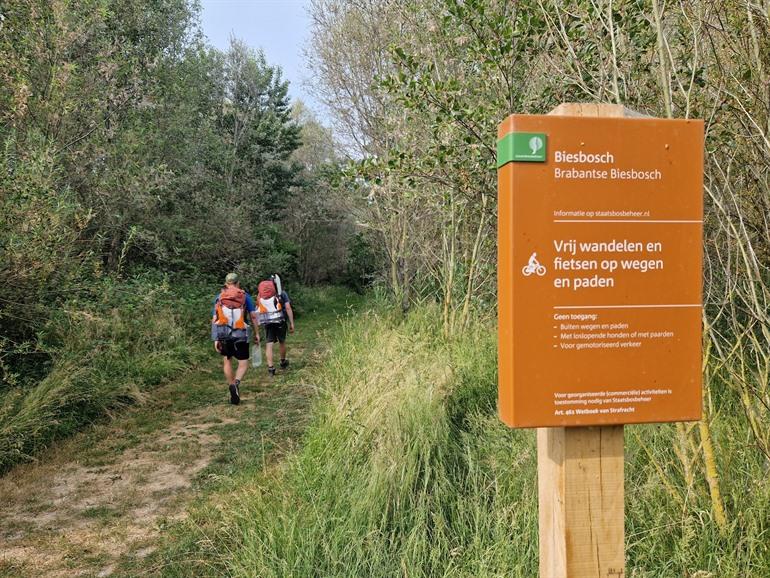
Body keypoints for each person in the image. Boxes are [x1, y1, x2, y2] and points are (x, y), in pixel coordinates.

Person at [211, 273, 259, 404]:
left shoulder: (219, 297)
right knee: (243, 362)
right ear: (238, 283)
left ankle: (231, 385)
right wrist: (257, 333)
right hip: (241, 334)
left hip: (223, 334)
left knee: (227, 361)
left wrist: (216, 338)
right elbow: (253, 316)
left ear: (226, 284)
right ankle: (236, 383)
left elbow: (215, 318)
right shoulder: (244, 296)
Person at [256, 275, 295, 377]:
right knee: (282, 341)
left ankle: (271, 368)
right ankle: (282, 362)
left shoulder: (261, 295)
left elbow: (258, 309)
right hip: (280, 321)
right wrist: (291, 323)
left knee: (269, 343)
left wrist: (258, 324)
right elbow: (288, 308)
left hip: (267, 321)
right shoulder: (281, 293)